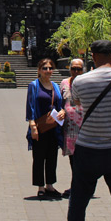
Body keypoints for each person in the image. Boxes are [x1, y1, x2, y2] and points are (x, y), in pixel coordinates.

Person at [67, 40, 111, 221]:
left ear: (92, 56)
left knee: (78, 202)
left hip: (87, 149)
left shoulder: (80, 81)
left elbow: (79, 104)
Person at [26, 58, 65, 199]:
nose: (48, 71)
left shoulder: (55, 86)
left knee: (52, 157)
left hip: (53, 127)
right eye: (45, 68)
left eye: (50, 68)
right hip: (39, 126)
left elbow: (61, 104)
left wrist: (63, 112)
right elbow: (30, 106)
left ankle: (50, 185)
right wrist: (32, 126)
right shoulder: (34, 85)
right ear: (39, 70)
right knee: (38, 157)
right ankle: (40, 186)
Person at [60, 58, 84, 198]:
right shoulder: (64, 83)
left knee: (84, 158)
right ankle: (75, 185)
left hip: (85, 126)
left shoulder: (88, 84)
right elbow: (61, 101)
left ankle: (81, 186)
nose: (76, 72)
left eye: (79, 69)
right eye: (73, 69)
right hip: (70, 127)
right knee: (73, 158)